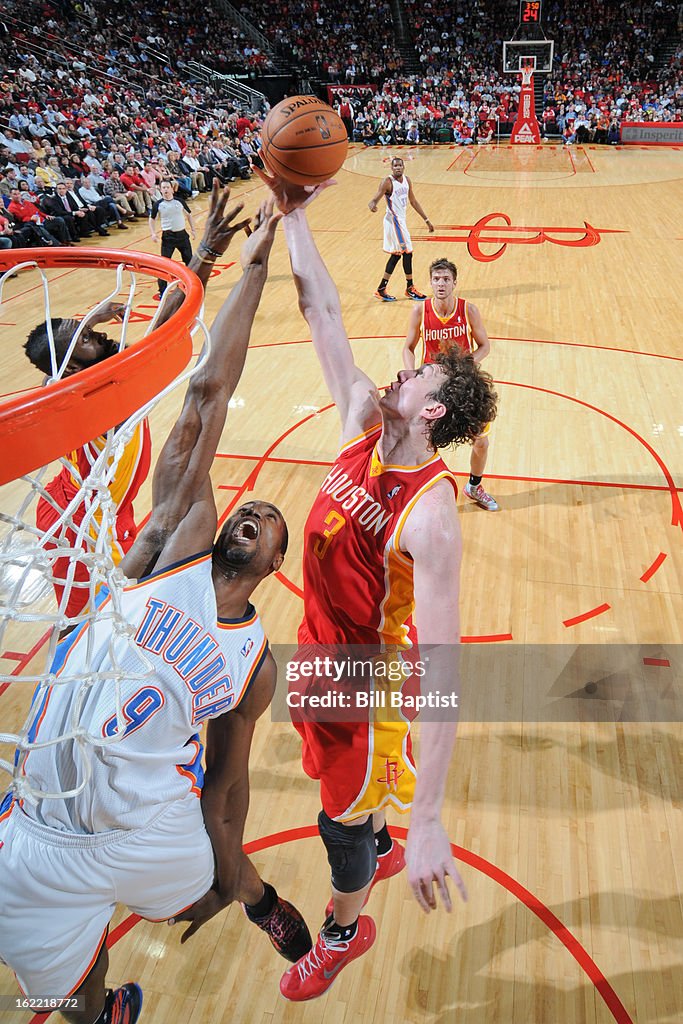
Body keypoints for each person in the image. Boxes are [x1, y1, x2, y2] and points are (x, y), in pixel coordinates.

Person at [0, 193, 312, 1024]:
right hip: (41, 829)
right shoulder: (164, 552)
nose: (252, 512)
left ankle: (253, 898)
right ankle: (103, 1008)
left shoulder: (254, 665)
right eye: (248, 507)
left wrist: (230, 870)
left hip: (150, 834)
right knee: (58, 984)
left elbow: (229, 781)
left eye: (269, 523)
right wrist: (246, 265)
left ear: (276, 565)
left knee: (213, 869)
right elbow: (204, 396)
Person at [259, 169, 497, 1001]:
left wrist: (432, 814)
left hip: (367, 689)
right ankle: (382, 831)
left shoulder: (431, 519)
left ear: (433, 411)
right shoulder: (361, 416)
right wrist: (292, 219)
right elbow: (322, 313)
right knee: (351, 805)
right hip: (318, 656)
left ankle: (342, 929)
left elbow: (444, 673)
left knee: (338, 821)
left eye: (420, 376)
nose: (402, 373)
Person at [24, 183, 239, 618]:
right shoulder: (96, 396)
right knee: (92, 622)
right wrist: (207, 252)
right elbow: (169, 315)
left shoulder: (73, 375)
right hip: (78, 525)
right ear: (69, 367)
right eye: (84, 339)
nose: (97, 336)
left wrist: (88, 320)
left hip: (95, 503)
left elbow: (59, 358)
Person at [403, 257, 499, 511]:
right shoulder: (420, 311)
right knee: (422, 442)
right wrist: (412, 373)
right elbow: (408, 347)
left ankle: (474, 486)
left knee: (481, 441)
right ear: (431, 283)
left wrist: (466, 365)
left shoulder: (468, 310)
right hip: (433, 388)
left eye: (446, 279)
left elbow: (485, 346)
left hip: (464, 385)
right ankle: (417, 492)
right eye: (436, 279)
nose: (441, 283)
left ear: (454, 282)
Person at [368, 156, 435, 302]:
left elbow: (413, 201)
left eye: (400, 165)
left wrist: (426, 220)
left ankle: (381, 289)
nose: (398, 167)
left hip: (400, 221)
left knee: (397, 254)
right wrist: (372, 204)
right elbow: (376, 197)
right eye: (395, 166)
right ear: (391, 168)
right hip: (393, 221)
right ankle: (410, 288)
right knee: (407, 252)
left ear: (404, 167)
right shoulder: (387, 182)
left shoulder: (407, 180)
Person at [149, 180, 196, 299]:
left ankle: (193, 285)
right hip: (168, 237)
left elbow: (189, 215)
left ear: (171, 189)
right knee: (164, 265)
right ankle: (162, 291)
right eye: (163, 187)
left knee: (190, 261)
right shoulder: (158, 204)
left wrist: (193, 229)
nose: (165, 190)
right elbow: (152, 219)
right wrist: (153, 233)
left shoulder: (179, 201)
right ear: (160, 189)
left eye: (167, 187)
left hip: (182, 236)